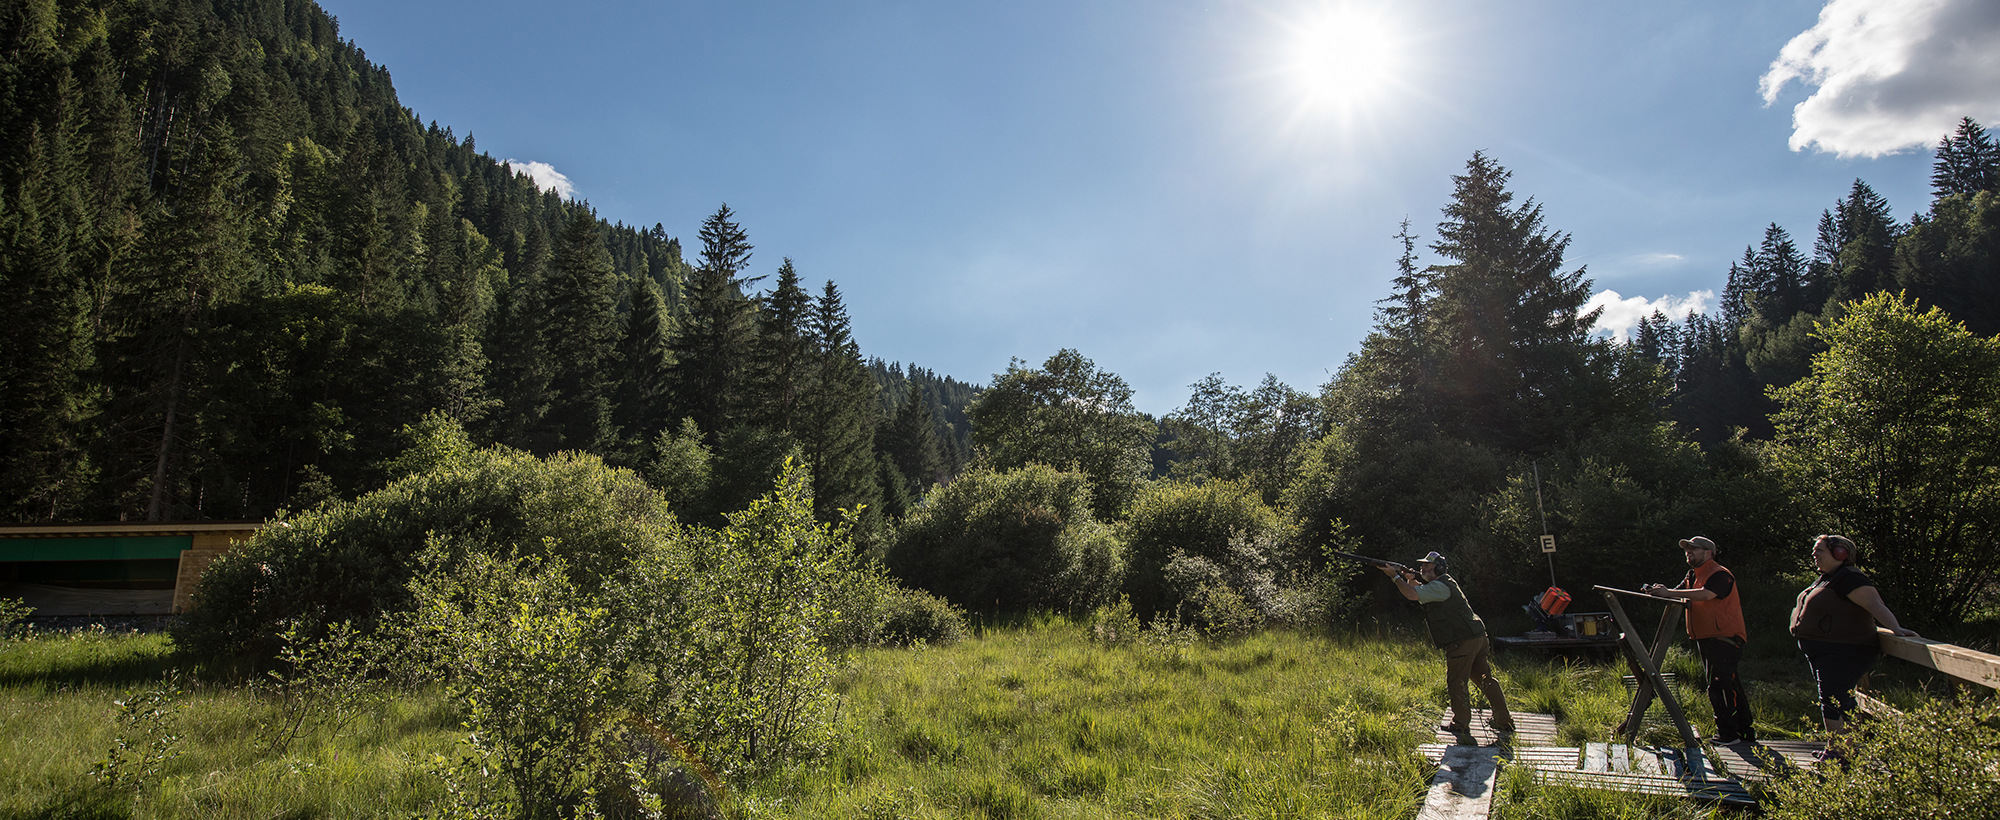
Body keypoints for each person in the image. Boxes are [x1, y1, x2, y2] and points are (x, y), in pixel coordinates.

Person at [1790, 534, 1918, 757]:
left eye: (1819, 550)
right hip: (1828, 651)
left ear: (1840, 553)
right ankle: (1846, 751)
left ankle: (1838, 753)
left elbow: (1874, 604)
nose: (1814, 554)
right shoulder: (1829, 577)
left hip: (1843, 651)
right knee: (1839, 699)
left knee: (1831, 700)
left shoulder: (1850, 578)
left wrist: (1896, 628)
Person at [1380, 551, 1516, 735]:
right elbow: (1420, 593)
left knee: (1457, 682)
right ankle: (1504, 721)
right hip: (1476, 636)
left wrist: (1395, 577)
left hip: (1462, 641)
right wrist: (1410, 578)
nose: (1423, 568)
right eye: (1423, 566)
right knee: (1486, 680)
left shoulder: (1440, 586)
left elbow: (1412, 595)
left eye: (1428, 566)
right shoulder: (1442, 584)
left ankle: (1460, 724)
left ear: (1440, 568)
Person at [1642, 536, 1757, 745]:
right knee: (1731, 685)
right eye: (1687, 549)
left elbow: (1705, 595)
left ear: (1708, 553)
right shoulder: (1692, 575)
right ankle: (1745, 732)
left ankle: (1728, 735)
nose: (1688, 552)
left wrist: (1669, 592)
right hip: (1710, 637)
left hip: (1725, 638)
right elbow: (1678, 593)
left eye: (1693, 549)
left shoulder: (1720, 574)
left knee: (1720, 687)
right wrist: (1660, 590)